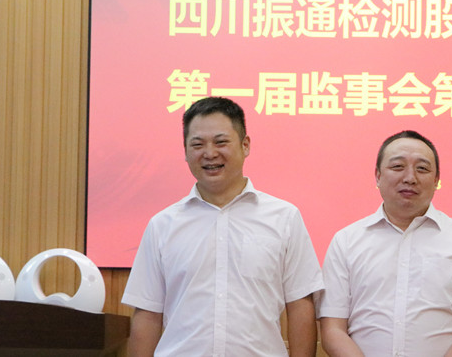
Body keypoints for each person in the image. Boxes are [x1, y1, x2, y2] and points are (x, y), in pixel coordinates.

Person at [122, 97, 323, 356]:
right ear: (185, 151)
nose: (209, 154)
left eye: (220, 142)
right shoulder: (162, 225)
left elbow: (300, 305)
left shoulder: (284, 218)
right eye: (198, 144)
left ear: (245, 145)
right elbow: (147, 314)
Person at [318, 130, 452, 356]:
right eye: (398, 166)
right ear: (378, 176)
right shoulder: (346, 241)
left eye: (422, 168)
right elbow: (333, 329)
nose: (410, 178)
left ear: (436, 180)